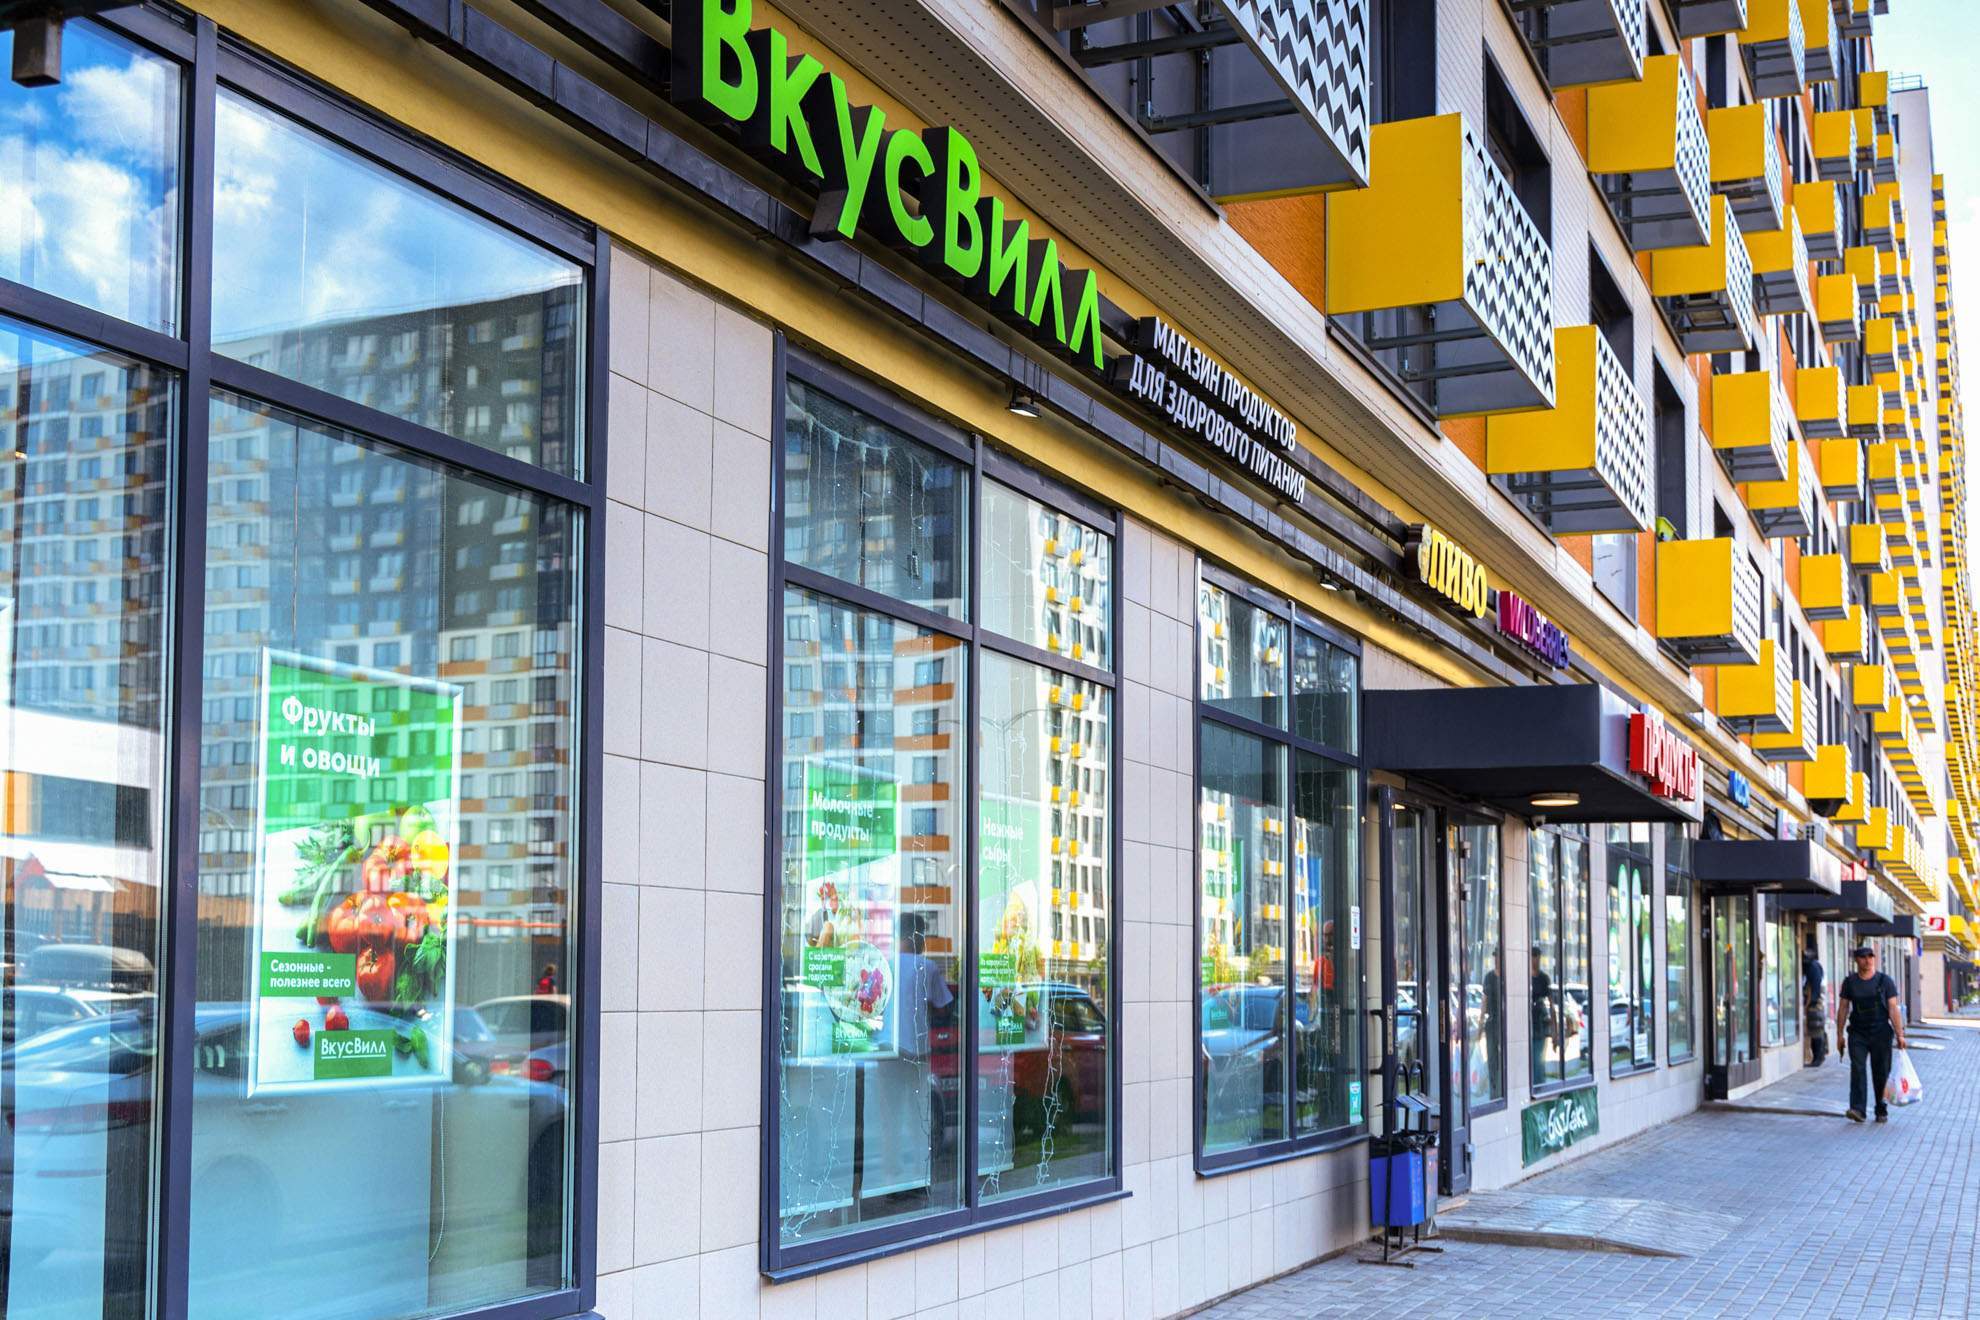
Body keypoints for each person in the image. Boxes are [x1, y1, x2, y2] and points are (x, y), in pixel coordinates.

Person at [1835, 944, 1905, 1122]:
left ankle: (1881, 1109)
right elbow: (1843, 1008)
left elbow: (1893, 1008)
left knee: (1881, 1072)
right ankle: (1858, 1109)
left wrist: (1900, 1034)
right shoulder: (1850, 982)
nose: (1867, 960)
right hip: (1857, 1033)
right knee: (1857, 1069)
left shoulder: (1885, 981)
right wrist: (1839, 1035)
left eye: (1870, 956)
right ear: (1856, 960)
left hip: (1881, 1033)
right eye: (1863, 957)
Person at [1802, 936, 1828, 1067]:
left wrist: (1810, 1002)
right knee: (1816, 1030)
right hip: (1817, 1002)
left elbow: (1815, 986)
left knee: (1816, 1030)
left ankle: (1818, 1057)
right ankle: (1819, 1056)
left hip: (1815, 1004)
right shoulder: (1815, 965)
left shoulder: (1813, 967)